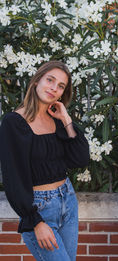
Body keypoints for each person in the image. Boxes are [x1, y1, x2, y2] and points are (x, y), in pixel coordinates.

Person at [0, 60, 90, 261]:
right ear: (36, 81)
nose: (54, 88)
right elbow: (13, 179)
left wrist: (66, 119)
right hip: (40, 209)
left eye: (60, 86)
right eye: (50, 80)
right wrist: (35, 222)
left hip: (67, 199)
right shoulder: (13, 123)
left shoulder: (57, 121)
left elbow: (81, 159)